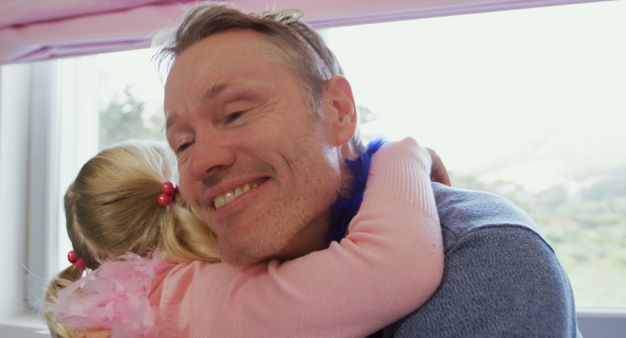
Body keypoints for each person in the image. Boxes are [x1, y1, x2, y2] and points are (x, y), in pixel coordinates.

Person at [160, 3, 581, 337]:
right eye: (182, 143)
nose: (200, 161)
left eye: (234, 114)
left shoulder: (484, 260)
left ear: (338, 111)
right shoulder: (194, 280)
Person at [44, 138, 445, 338]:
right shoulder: (189, 299)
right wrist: (403, 154)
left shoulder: (143, 310)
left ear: (96, 262)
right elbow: (394, 266)